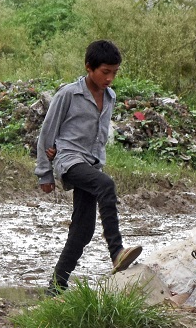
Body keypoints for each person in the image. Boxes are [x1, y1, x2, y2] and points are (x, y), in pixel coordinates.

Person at [36, 39, 142, 293]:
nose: (110, 78)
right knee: (106, 185)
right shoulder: (68, 94)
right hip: (69, 159)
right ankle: (117, 251)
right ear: (89, 68)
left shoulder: (111, 96)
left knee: (83, 229)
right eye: (105, 72)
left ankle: (56, 285)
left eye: (114, 73)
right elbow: (47, 133)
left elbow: (100, 134)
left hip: (92, 163)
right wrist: (44, 173)